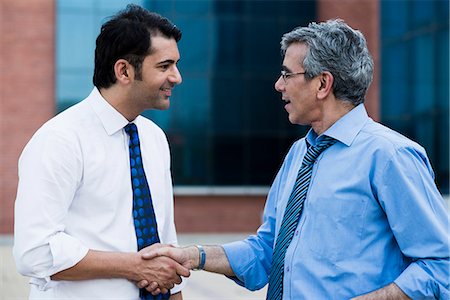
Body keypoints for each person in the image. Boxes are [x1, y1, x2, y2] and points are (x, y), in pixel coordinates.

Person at [143, 19, 450, 299]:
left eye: (287, 74)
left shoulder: (390, 157)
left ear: (322, 84)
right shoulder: (299, 154)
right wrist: (194, 256)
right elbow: (268, 251)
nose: (279, 85)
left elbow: (441, 265)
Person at [13, 4, 189, 300]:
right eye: (164, 66)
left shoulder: (154, 138)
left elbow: (164, 244)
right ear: (124, 70)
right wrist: (134, 267)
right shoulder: (60, 140)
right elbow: (35, 252)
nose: (177, 77)